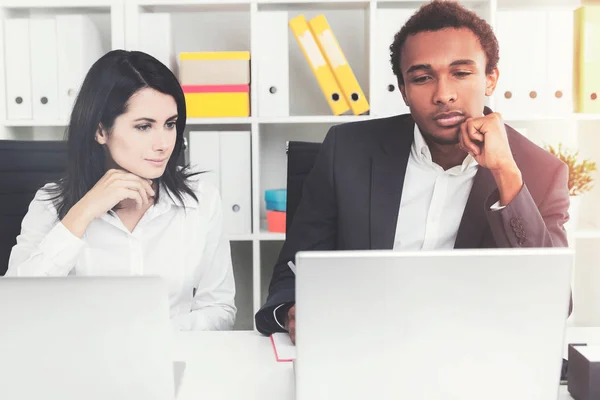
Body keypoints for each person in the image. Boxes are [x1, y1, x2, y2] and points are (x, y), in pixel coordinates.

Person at [256, 0, 571, 342]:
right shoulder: (346, 150)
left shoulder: (539, 172)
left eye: (461, 73)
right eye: (422, 78)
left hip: (471, 353)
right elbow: (291, 276)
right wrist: (292, 312)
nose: (443, 94)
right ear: (404, 91)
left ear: (491, 78)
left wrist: (505, 175)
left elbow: (553, 301)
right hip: (362, 346)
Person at [6, 50, 236, 331]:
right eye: (144, 127)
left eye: (170, 124)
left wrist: (150, 335)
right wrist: (83, 213)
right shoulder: (51, 203)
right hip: (81, 364)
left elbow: (219, 309)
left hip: (172, 356)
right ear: (101, 130)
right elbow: (13, 308)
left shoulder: (201, 199)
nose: (164, 144)